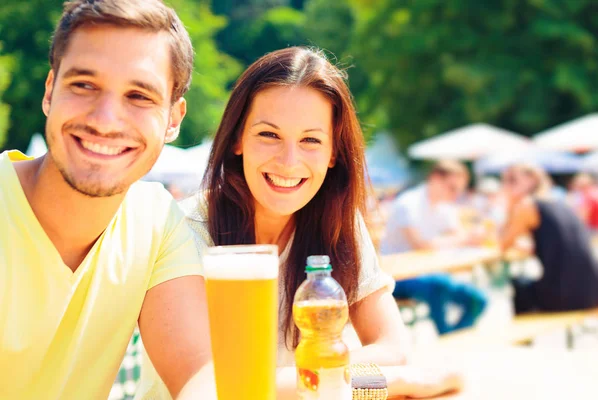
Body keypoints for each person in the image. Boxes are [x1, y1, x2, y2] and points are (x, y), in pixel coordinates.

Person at [138, 47, 462, 400]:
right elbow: (214, 390)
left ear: (334, 152)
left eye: (310, 140)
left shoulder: (338, 222)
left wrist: (371, 379)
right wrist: (390, 383)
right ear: (236, 139)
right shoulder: (182, 232)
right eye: (269, 135)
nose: (288, 162)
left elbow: (393, 350)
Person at [0, 1, 215, 399]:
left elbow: (198, 373)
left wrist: (365, 383)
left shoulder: (155, 221)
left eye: (139, 95)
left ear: (173, 119)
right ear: (50, 91)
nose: (105, 119)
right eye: (84, 85)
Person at [380, 161, 488, 335]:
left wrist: (457, 239)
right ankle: (446, 337)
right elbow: (422, 245)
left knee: (479, 301)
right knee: (439, 286)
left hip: (428, 274)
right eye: (452, 188)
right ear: (435, 179)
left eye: (459, 190)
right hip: (398, 277)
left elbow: (462, 237)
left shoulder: (444, 207)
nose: (455, 194)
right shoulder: (408, 203)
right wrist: (458, 240)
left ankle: (450, 339)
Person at [500, 163, 598, 313]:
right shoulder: (560, 202)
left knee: (519, 288)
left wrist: (510, 204)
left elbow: (502, 243)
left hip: (569, 295)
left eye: (512, 180)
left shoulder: (527, 205)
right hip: (593, 289)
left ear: (532, 181)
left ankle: (524, 336)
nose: (506, 186)